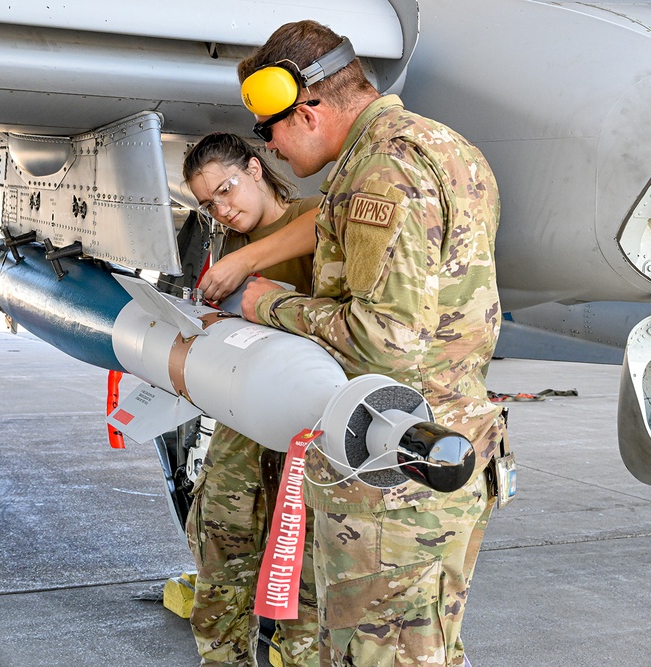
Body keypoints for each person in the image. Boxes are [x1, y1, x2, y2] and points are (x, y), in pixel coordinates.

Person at [235, 21, 509, 667]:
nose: (268, 148)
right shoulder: (445, 145)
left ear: (308, 110)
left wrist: (265, 302)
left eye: (266, 130)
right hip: (442, 450)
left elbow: (386, 341)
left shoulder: (381, 171)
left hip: (392, 471)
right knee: (426, 649)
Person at [181, 132, 321, 667]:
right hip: (244, 431)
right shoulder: (226, 244)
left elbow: (327, 221)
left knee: (308, 587)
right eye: (208, 203)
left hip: (308, 434)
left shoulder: (312, 214)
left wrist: (245, 267)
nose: (222, 207)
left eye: (227, 188)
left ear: (257, 169)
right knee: (221, 562)